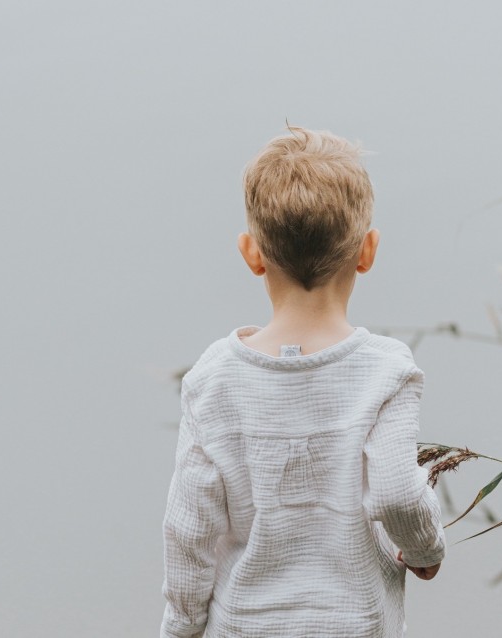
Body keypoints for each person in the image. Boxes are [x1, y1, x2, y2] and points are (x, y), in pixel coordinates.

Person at [160, 125, 445, 638]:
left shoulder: (214, 379)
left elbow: (189, 530)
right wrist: (424, 547)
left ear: (252, 253)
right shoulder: (385, 370)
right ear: (367, 251)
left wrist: (181, 627)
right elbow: (399, 494)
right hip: (354, 625)